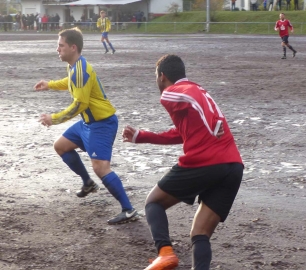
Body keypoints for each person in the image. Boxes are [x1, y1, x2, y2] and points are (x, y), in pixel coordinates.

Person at [123, 54, 244, 270]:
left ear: (162, 76)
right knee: (200, 233)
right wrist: (142, 136)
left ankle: (165, 253)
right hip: (233, 166)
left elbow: (192, 98)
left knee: (153, 202)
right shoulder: (197, 90)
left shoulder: (173, 92)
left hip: (205, 162)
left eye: (156, 78)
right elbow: (181, 133)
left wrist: (213, 121)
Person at [33, 28, 137, 225]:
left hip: (102, 124)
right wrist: (51, 84)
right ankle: (88, 183)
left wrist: (53, 118)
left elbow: (80, 105)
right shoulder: (74, 66)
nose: (57, 49)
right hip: (87, 123)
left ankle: (129, 210)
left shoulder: (80, 70)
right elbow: (71, 83)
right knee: (61, 146)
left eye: (61, 45)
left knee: (101, 168)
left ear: (73, 47)